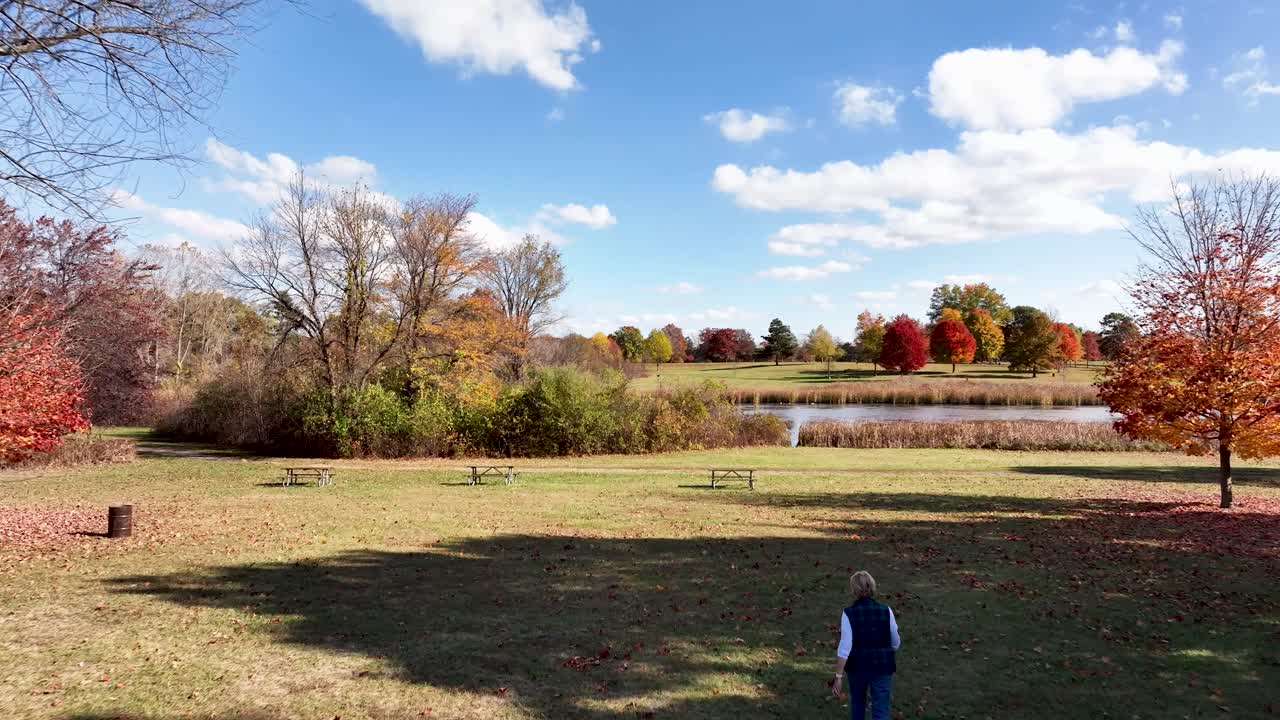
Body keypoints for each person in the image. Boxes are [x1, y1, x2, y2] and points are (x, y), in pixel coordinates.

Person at [831, 570, 900, 720]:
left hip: (858, 666)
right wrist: (887, 651)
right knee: (881, 708)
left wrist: (838, 676)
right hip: (882, 665)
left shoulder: (848, 613)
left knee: (857, 704)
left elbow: (845, 647)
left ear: (854, 590)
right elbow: (895, 641)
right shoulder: (886, 611)